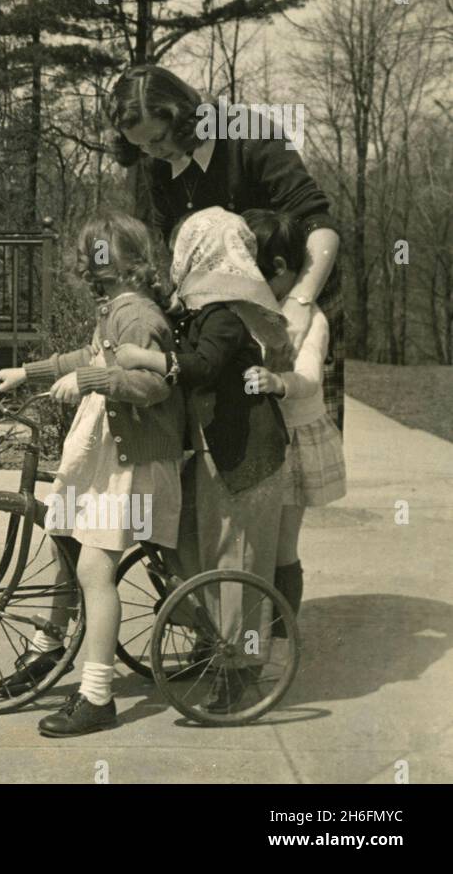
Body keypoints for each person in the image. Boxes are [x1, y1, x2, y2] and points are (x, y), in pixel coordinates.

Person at [0, 213, 185, 737]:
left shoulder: (139, 314)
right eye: (91, 257)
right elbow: (89, 356)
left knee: (95, 569)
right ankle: (49, 648)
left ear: (132, 261)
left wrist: (91, 378)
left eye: (105, 257)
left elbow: (154, 383)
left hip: (134, 459)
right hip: (106, 451)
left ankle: (97, 695)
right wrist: (29, 372)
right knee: (66, 545)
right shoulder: (114, 311)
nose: (96, 267)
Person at [114, 207, 294, 711]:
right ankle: (217, 645)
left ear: (197, 253)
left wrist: (147, 359)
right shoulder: (202, 310)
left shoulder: (224, 314)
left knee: (238, 561)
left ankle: (240, 673)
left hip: (246, 456)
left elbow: (205, 366)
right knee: (201, 549)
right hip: (221, 452)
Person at [106, 64, 345, 431]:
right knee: (244, 434)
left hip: (298, 290)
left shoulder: (248, 133)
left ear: (183, 117)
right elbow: (171, 241)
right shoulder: (158, 166)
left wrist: (300, 302)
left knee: (304, 429)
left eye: (157, 139)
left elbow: (320, 225)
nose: (153, 152)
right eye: (140, 146)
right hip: (228, 313)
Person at [241, 208, 347, 634]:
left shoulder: (311, 319)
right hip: (262, 436)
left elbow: (307, 379)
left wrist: (276, 381)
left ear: (281, 269)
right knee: (254, 541)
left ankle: (280, 632)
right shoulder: (254, 308)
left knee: (281, 544)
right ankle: (250, 627)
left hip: (296, 440)